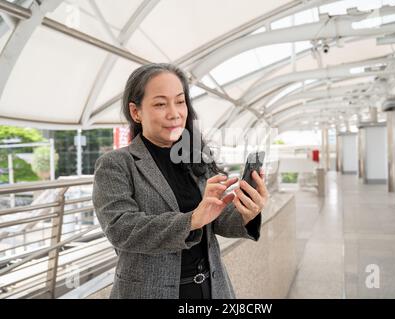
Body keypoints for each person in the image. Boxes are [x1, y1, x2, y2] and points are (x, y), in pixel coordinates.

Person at [92, 63, 269, 299]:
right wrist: (191, 220)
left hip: (212, 289)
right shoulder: (117, 164)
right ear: (136, 112)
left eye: (180, 101)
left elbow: (215, 220)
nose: (174, 113)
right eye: (160, 104)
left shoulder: (196, 157)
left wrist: (247, 213)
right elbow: (121, 229)